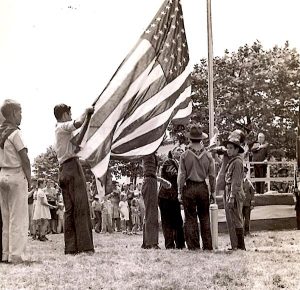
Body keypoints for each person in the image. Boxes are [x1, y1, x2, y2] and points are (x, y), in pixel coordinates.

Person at [53, 103, 94, 254]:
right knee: (81, 206)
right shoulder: (63, 126)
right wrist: (86, 111)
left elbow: (77, 144)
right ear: (64, 115)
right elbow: (77, 123)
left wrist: (88, 118)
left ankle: (71, 247)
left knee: (69, 210)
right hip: (72, 168)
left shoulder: (60, 132)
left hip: (63, 169)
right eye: (69, 114)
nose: (71, 116)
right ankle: (85, 246)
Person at [0, 99, 31, 263]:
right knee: (18, 217)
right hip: (15, 174)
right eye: (19, 112)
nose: (21, 116)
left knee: (6, 218)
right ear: (12, 113)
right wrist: (30, 179)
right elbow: (24, 158)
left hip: (2, 174)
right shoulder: (15, 133)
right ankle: (16, 254)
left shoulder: (1, 132)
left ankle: (5, 253)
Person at [178, 125, 215, 251]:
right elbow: (212, 175)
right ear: (201, 139)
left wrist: (179, 191)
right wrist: (213, 192)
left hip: (189, 187)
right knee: (204, 217)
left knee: (190, 217)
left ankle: (193, 246)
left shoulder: (184, 155)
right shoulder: (208, 156)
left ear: (190, 139)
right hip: (202, 187)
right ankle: (207, 245)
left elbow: (181, 175)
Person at [158, 146, 185, 249]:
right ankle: (169, 245)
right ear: (172, 153)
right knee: (167, 221)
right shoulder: (168, 162)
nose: (181, 151)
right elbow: (175, 175)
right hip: (165, 197)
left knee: (178, 220)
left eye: (182, 150)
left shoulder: (179, 164)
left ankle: (180, 244)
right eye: (178, 150)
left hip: (174, 197)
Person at [224, 133, 246, 250]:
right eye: (227, 148)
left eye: (231, 148)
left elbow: (236, 181)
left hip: (235, 192)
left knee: (237, 218)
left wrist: (232, 196)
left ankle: (240, 246)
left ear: (237, 149)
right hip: (231, 190)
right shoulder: (233, 161)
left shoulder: (237, 162)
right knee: (234, 218)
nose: (228, 150)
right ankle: (237, 245)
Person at [141, 153, 160, 249]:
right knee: (151, 213)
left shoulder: (150, 153)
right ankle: (151, 242)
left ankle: (147, 242)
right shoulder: (148, 153)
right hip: (150, 181)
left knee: (150, 213)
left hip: (151, 181)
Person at [242, 166, 255, 236]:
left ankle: (247, 231)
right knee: (240, 218)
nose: (243, 174)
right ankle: (241, 232)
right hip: (240, 204)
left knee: (247, 218)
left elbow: (252, 193)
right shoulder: (238, 182)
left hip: (247, 203)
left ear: (246, 174)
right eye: (242, 172)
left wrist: (252, 203)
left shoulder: (249, 183)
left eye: (244, 173)